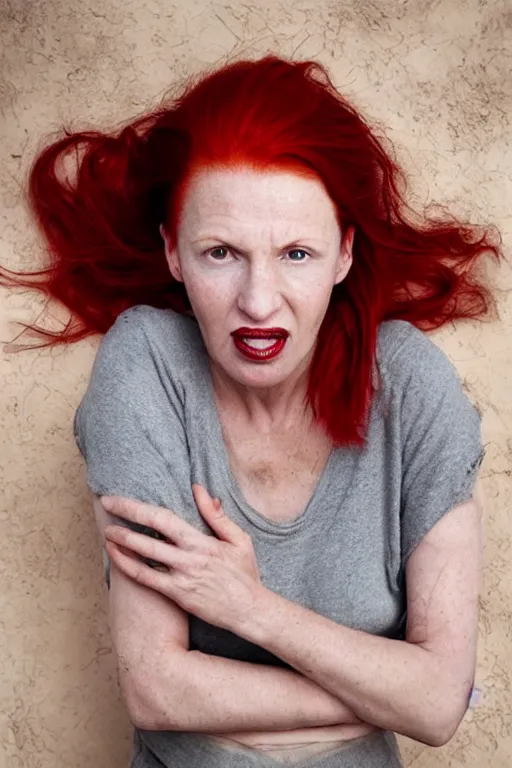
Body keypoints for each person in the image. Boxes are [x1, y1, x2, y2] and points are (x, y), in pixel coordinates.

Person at [1, 54, 503, 768]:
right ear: (173, 252)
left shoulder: (411, 385)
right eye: (221, 253)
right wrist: (397, 685)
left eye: (297, 252)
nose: (259, 302)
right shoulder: (146, 366)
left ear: (344, 254)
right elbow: (157, 690)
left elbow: (434, 706)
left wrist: (249, 608)